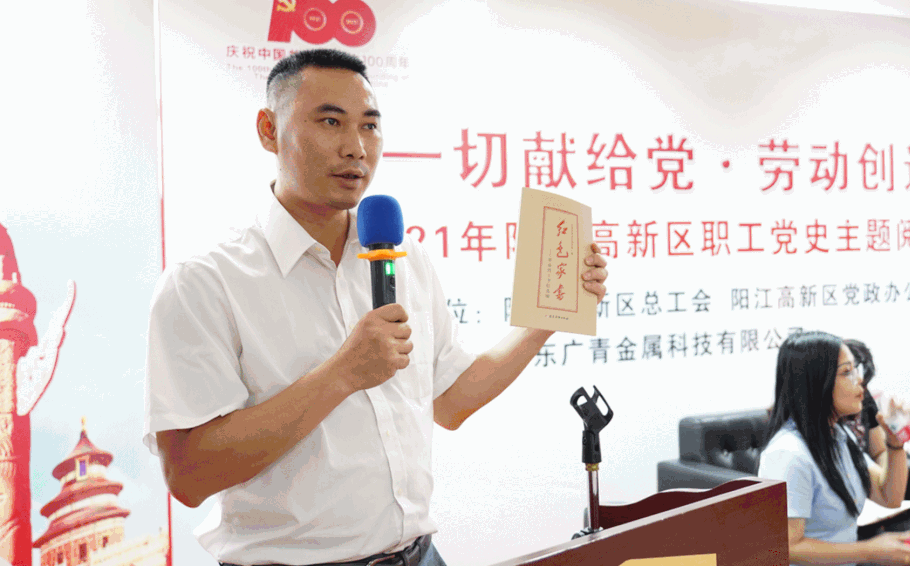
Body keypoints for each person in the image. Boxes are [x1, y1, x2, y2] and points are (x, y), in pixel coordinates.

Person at [142, 49, 609, 566]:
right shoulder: (205, 280)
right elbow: (189, 476)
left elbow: (452, 401)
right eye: (330, 122)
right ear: (269, 130)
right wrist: (343, 373)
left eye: (369, 125)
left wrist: (547, 317)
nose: (356, 147)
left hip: (421, 555)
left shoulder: (405, 257)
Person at [757, 331, 910, 566]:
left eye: (855, 370)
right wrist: (869, 550)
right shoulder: (787, 453)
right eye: (847, 373)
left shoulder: (838, 435)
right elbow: (787, 547)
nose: (859, 382)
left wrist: (895, 444)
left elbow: (890, 497)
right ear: (816, 381)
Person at [843, 339, 910, 558]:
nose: (860, 388)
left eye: (863, 381)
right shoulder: (801, 444)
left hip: (868, 510)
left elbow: (879, 459)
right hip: (840, 531)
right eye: (847, 374)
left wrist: (894, 443)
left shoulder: (861, 404)